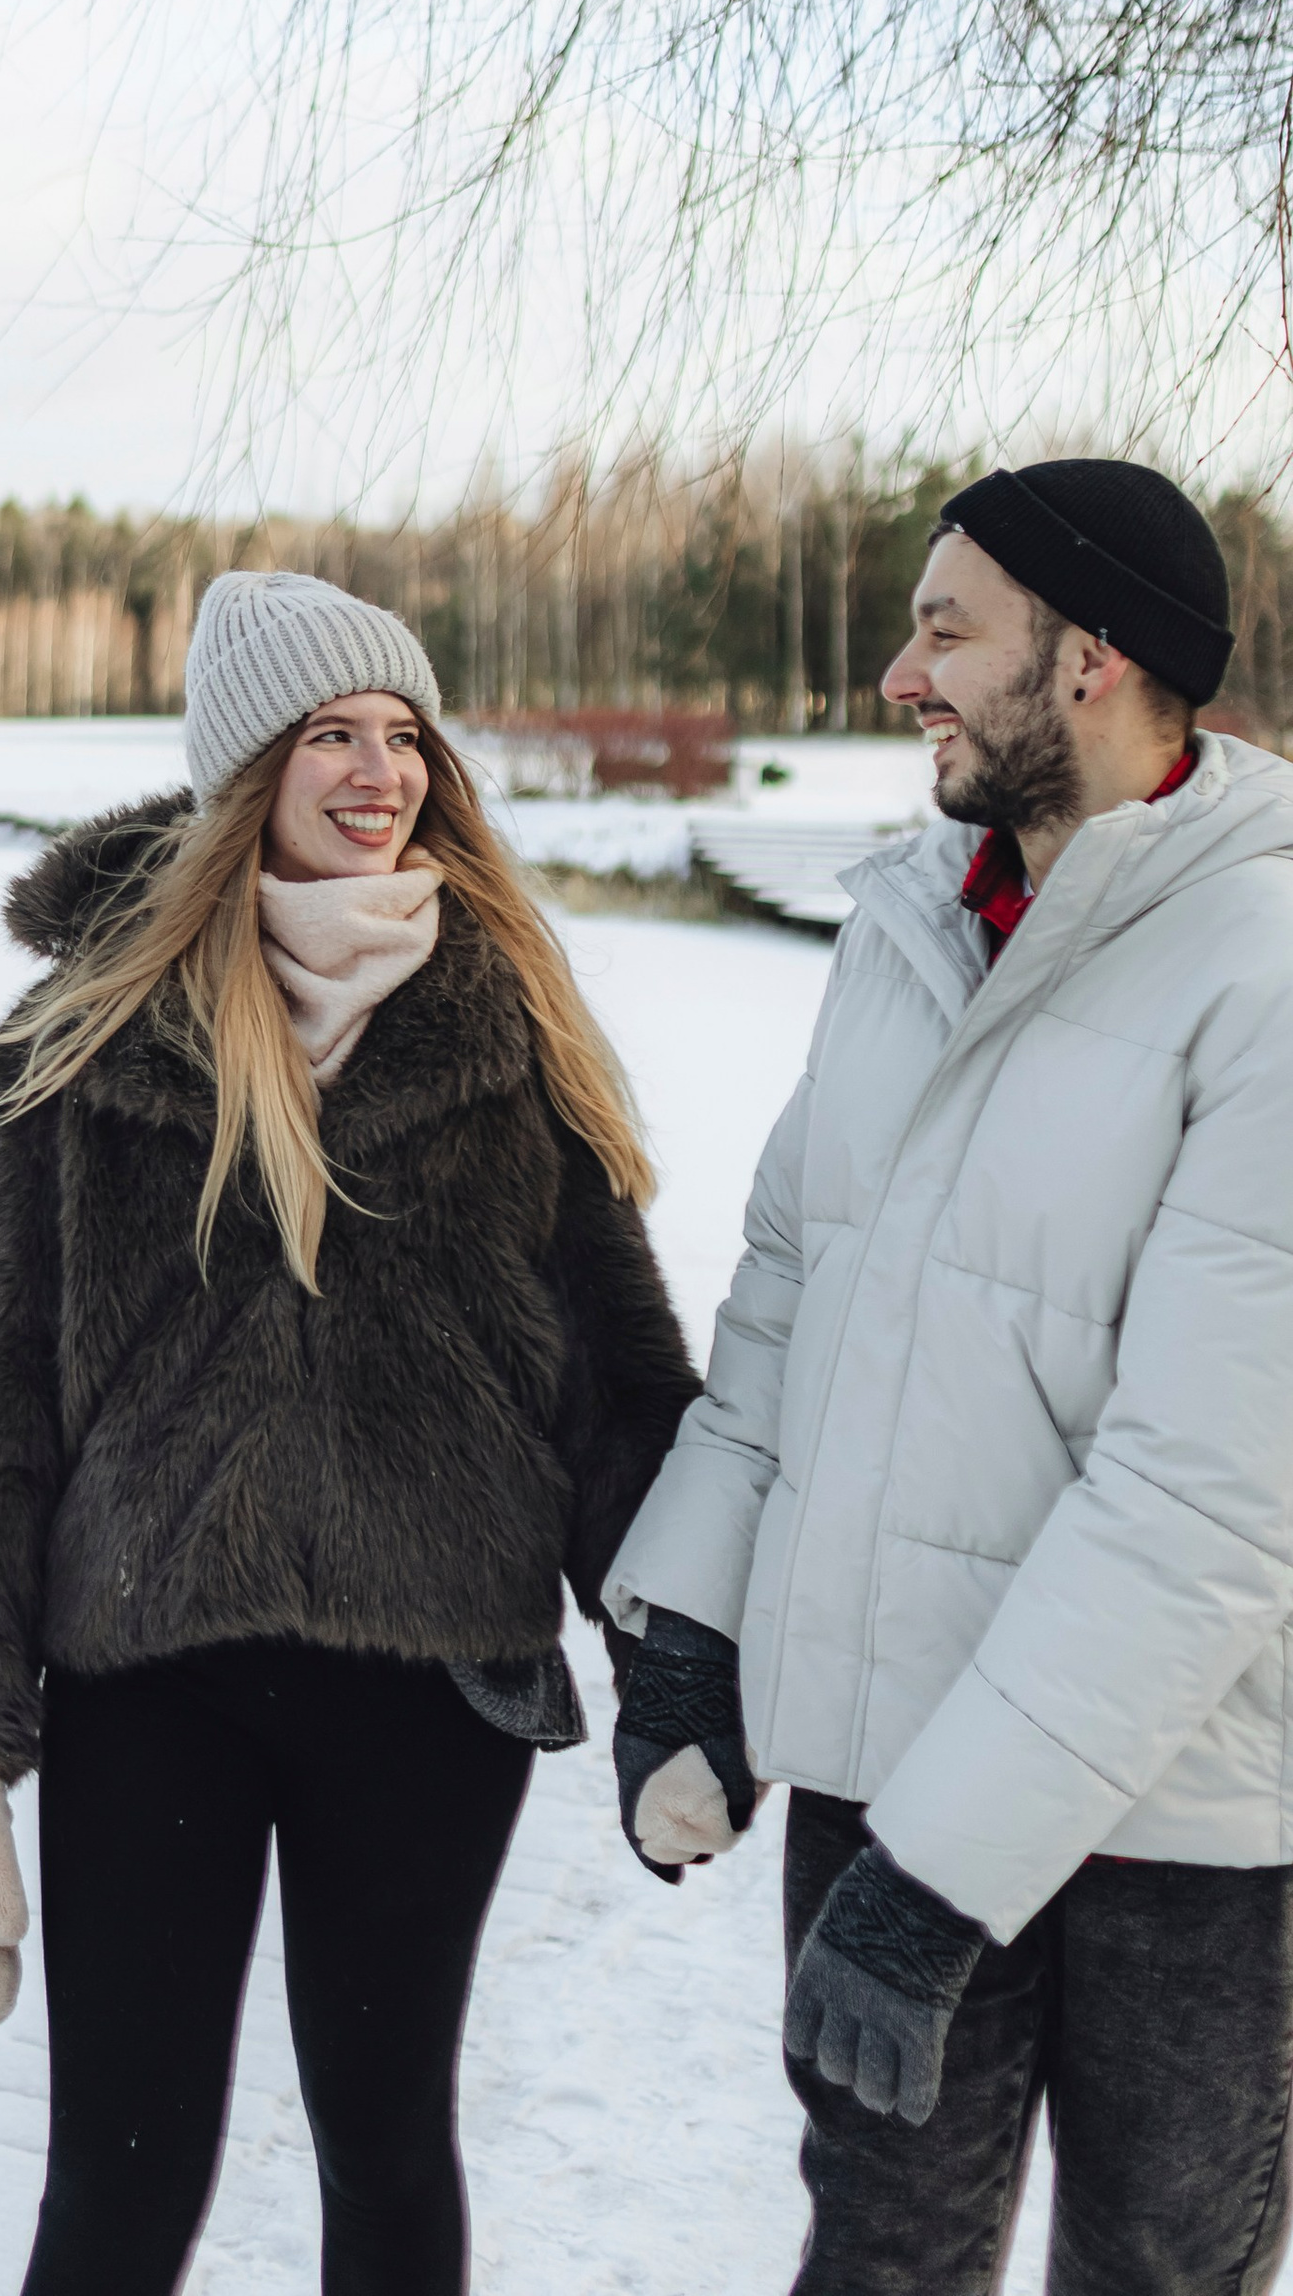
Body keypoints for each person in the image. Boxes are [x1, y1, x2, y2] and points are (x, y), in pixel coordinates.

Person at [0, 565, 700, 2296]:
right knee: (119, 2185)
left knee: (387, 2152)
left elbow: (618, 1393)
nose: (380, 770)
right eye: (331, 734)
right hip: (151, 1679)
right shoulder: (73, 1055)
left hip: (431, 1687)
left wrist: (681, 1677)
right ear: (250, 769)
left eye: (404, 734)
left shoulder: (517, 1038)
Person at [607, 457, 1293, 2296]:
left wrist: (933, 1891)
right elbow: (787, 1305)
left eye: (944, 632)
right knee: (878, 2272)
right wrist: (693, 1622)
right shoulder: (911, 921)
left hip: (1192, 1831)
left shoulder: (1269, 968)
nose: (903, 678)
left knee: (1160, 2276)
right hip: (885, 1771)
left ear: (1092, 661)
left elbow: (1206, 1506)